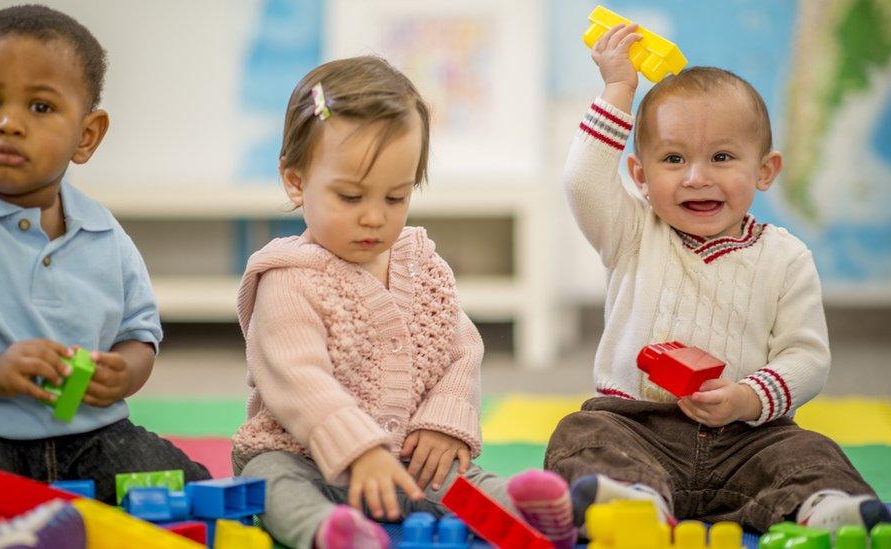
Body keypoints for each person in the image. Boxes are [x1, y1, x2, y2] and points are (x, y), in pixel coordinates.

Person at [528, 23, 890, 539]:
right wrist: (617, 90)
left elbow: (807, 358)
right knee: (580, 434)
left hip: (749, 437)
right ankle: (633, 501)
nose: (696, 176)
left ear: (765, 171)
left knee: (813, 451)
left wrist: (747, 397)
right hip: (638, 427)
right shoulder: (631, 231)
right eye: (673, 159)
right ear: (639, 174)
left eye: (721, 157)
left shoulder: (786, 257)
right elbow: (581, 181)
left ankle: (825, 506)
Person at [229, 56, 572, 549]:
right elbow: (298, 380)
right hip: (301, 454)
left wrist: (446, 423)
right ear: (296, 181)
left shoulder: (422, 264)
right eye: (350, 197)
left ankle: (530, 515)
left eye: (395, 198)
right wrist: (359, 451)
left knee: (459, 483)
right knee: (270, 484)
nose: (374, 218)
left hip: (406, 458)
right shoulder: (289, 279)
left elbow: (460, 348)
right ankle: (330, 533)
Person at [0, 6, 209, 548]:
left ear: (87, 135)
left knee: (175, 474)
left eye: (41, 106)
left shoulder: (104, 234)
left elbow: (140, 334)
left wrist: (124, 373)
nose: (9, 121)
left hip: (87, 437)